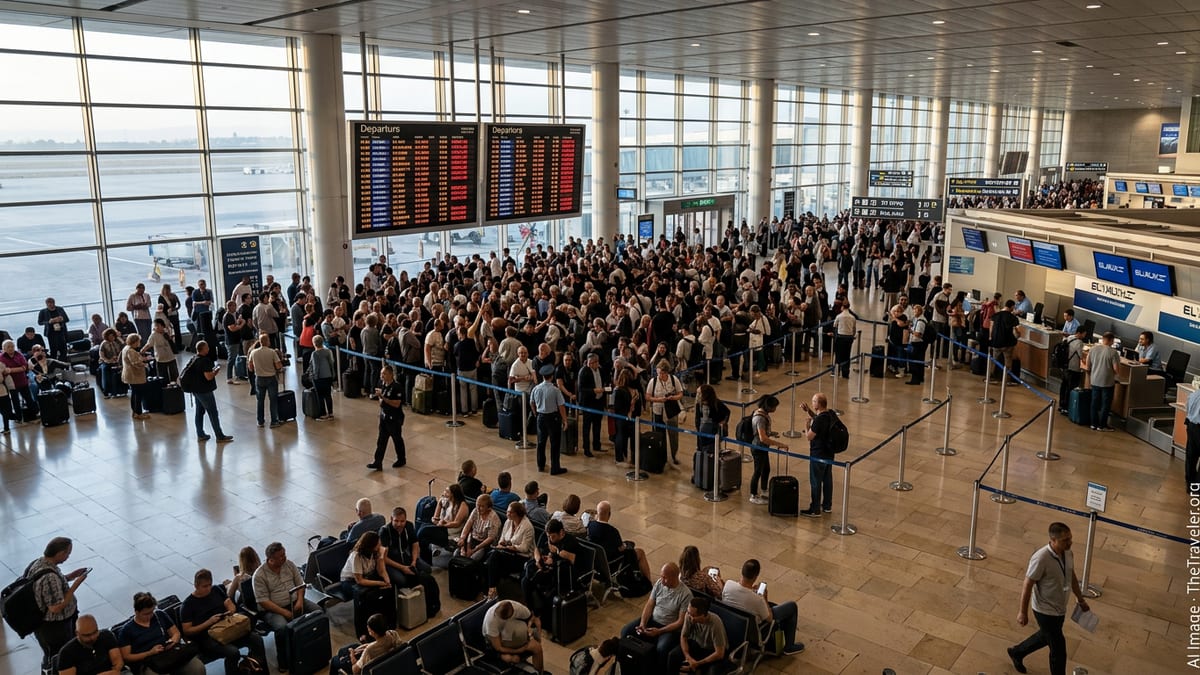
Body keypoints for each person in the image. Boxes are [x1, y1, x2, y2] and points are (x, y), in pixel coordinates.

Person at [1007, 522, 1091, 675]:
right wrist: (1022, 612)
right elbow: (1028, 584)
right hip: (1044, 610)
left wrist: (1080, 599)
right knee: (1058, 650)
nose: (1070, 542)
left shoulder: (1068, 553)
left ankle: (1017, 652)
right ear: (1052, 540)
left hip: (1060, 608)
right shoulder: (1041, 558)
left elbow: (1071, 576)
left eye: (1070, 538)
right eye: (1065, 540)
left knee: (1046, 636)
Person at [179, 568, 267, 674]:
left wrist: (230, 611)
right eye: (204, 586)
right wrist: (209, 622)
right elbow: (187, 631)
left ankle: (257, 668)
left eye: (209, 585)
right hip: (207, 637)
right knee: (233, 653)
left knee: (256, 639)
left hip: (227, 628)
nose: (208, 589)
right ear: (196, 586)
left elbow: (230, 605)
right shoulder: (188, 605)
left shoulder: (216, 590)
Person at [252, 542, 320, 671]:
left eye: (284, 554)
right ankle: (284, 661)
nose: (284, 558)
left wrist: (300, 601)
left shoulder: (289, 565)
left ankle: (312, 650)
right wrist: (284, 612)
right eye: (281, 556)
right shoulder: (259, 575)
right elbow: (263, 601)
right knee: (282, 628)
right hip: (273, 610)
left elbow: (301, 585)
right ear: (270, 559)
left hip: (295, 602)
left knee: (318, 613)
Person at [26, 537, 88, 671]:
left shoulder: (40, 563)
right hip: (55, 627)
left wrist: (71, 576)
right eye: (68, 553)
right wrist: (75, 586)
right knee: (58, 656)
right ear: (60, 553)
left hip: (54, 625)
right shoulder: (50, 576)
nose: (68, 557)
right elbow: (55, 607)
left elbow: (52, 588)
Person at [720, 558, 805, 655]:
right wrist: (764, 598)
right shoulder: (757, 599)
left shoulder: (728, 585)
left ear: (742, 571)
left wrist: (751, 590)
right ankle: (789, 647)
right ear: (755, 577)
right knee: (791, 606)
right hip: (753, 633)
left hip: (732, 626)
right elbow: (769, 618)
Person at [620, 562, 694, 671]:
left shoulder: (686, 595)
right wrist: (642, 623)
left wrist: (659, 631)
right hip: (652, 620)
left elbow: (680, 621)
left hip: (668, 628)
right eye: (661, 576)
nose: (661, 580)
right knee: (625, 631)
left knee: (661, 648)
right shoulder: (659, 583)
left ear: (674, 578)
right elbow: (650, 604)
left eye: (665, 578)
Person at [118, 591, 205, 675]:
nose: (150, 616)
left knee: (197, 667)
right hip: (149, 662)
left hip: (169, 653)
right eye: (146, 614)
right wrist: (149, 653)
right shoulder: (127, 630)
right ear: (137, 612)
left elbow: (176, 633)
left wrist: (172, 641)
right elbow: (127, 657)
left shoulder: (159, 615)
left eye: (152, 612)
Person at [339, 532, 393, 638]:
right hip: (350, 581)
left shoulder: (376, 552)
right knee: (363, 596)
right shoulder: (356, 556)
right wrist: (379, 583)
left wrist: (387, 581)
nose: (380, 544)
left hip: (367, 577)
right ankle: (363, 631)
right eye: (378, 543)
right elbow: (359, 581)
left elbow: (381, 570)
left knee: (385, 591)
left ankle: (384, 623)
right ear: (371, 545)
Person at [521, 519, 581, 614]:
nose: (549, 539)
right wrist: (538, 560)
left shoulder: (571, 541)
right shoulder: (547, 535)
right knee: (525, 581)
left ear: (561, 532)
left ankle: (538, 613)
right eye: (548, 536)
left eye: (553, 537)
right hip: (544, 567)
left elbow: (573, 559)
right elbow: (537, 549)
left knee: (530, 579)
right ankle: (531, 611)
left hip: (559, 573)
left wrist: (557, 551)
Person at [587, 500, 652, 581]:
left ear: (597, 513)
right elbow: (621, 548)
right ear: (609, 514)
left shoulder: (590, 525)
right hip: (611, 565)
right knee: (639, 552)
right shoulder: (612, 531)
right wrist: (626, 545)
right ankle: (648, 583)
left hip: (594, 564)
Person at [485, 501, 536, 600]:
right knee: (492, 558)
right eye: (507, 512)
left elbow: (525, 548)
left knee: (494, 557)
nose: (507, 514)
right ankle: (492, 589)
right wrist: (501, 544)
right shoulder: (509, 522)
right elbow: (502, 537)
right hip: (508, 553)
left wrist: (512, 547)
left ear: (517, 513)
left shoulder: (527, 527)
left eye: (510, 512)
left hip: (522, 557)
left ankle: (491, 590)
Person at [666, 596, 727, 675]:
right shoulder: (689, 616)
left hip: (711, 651)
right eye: (688, 613)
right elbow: (683, 637)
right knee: (673, 655)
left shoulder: (716, 624)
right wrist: (688, 657)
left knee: (712, 672)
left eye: (693, 616)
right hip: (697, 644)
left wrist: (697, 663)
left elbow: (719, 654)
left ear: (703, 615)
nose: (690, 618)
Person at [187, 341, 232, 443]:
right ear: (203, 349)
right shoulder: (205, 361)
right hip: (204, 391)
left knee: (199, 412)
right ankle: (219, 435)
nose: (209, 349)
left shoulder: (194, 359)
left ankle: (200, 434)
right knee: (213, 412)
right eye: (207, 347)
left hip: (196, 390)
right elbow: (208, 377)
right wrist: (215, 372)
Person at [482, 600, 545, 673]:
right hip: (494, 641)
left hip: (514, 636)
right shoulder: (491, 622)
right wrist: (518, 650)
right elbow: (498, 647)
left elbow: (533, 619)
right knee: (512, 658)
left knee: (537, 647)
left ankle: (540, 672)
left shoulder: (518, 608)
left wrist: (536, 633)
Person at [328, 613, 401, 675]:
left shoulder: (369, 650)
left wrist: (352, 654)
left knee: (335, 660)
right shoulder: (393, 634)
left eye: (369, 628)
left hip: (368, 667)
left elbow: (355, 670)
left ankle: (342, 659)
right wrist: (366, 645)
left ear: (373, 632)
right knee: (345, 649)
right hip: (385, 662)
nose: (367, 628)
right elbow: (382, 645)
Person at [748, 395, 788, 506]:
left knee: (766, 469)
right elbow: (763, 438)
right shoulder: (760, 418)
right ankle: (753, 495)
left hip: (763, 447)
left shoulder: (762, 414)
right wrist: (779, 444)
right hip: (758, 448)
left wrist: (772, 433)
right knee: (757, 471)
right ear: (768, 406)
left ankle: (764, 490)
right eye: (774, 407)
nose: (775, 409)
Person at [417, 483, 469, 564]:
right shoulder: (443, 501)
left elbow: (457, 523)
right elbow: (435, 517)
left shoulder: (462, 505)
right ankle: (424, 556)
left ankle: (426, 559)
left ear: (453, 494)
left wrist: (444, 524)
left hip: (451, 531)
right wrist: (435, 520)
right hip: (441, 526)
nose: (444, 493)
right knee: (422, 527)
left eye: (447, 492)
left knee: (423, 532)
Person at [530, 364, 568, 475]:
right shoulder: (555, 390)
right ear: (551, 376)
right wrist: (565, 420)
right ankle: (555, 468)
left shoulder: (536, 389)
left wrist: (535, 412)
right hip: (553, 418)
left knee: (541, 442)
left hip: (541, 417)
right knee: (555, 443)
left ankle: (540, 465)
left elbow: (532, 402)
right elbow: (561, 406)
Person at [56, 613, 123, 675]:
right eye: (87, 635)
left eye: (95, 632)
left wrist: (116, 670)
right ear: (77, 633)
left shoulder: (106, 636)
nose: (92, 637)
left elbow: (117, 662)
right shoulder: (66, 653)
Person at [367, 365, 406, 470]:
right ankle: (377, 462)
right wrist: (380, 397)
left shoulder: (397, 387)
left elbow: (396, 404)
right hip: (384, 417)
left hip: (394, 419)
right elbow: (381, 402)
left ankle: (401, 459)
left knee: (397, 439)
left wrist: (383, 397)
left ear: (390, 374)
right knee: (381, 441)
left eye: (384, 374)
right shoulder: (382, 384)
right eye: (381, 374)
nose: (382, 376)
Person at [378, 506, 427, 588]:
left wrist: (414, 561)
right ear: (391, 519)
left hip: (407, 557)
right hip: (391, 562)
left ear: (406, 519)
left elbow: (415, 544)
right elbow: (384, 558)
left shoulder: (409, 526)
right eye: (396, 521)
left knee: (427, 569)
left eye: (402, 521)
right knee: (402, 580)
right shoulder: (385, 531)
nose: (399, 524)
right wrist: (402, 568)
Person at [647, 360, 685, 465]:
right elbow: (648, 396)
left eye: (662, 373)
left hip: (671, 411)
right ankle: (661, 457)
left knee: (673, 435)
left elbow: (680, 393)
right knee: (659, 434)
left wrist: (673, 398)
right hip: (657, 411)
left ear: (667, 372)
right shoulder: (653, 381)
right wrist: (658, 400)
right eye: (658, 373)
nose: (660, 375)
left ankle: (674, 455)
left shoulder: (674, 379)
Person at [1083, 332, 1119, 432]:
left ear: (1103, 339)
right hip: (1107, 382)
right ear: (1112, 341)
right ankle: (1102, 425)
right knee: (1105, 404)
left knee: (1094, 403)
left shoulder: (1093, 349)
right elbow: (1116, 369)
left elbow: (1088, 366)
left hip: (1095, 380)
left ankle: (1093, 424)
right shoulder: (1113, 353)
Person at [247, 334, 283, 428]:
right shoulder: (272, 352)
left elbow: (250, 368)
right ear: (267, 342)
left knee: (260, 400)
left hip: (259, 378)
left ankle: (260, 421)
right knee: (273, 400)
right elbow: (279, 366)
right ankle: (274, 421)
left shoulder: (253, 352)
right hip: (271, 378)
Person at [577, 352, 606, 456]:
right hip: (588, 403)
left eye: (593, 362)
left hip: (599, 401)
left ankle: (597, 445)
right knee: (587, 426)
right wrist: (593, 390)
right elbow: (581, 389)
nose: (590, 365)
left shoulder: (601, 370)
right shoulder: (584, 371)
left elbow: (604, 382)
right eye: (589, 362)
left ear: (597, 362)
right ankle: (586, 448)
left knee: (597, 425)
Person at [611, 368, 642, 466]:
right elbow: (638, 408)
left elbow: (616, 406)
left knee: (620, 436)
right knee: (631, 438)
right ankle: (632, 458)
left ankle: (619, 458)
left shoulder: (617, 390)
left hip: (621, 417)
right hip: (631, 417)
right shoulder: (635, 391)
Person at [457, 493, 501, 561]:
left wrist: (474, 550)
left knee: (473, 558)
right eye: (477, 505)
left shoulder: (493, 518)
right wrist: (463, 539)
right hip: (472, 539)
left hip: (483, 544)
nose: (478, 508)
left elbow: (490, 538)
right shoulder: (475, 510)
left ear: (489, 507)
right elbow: (468, 525)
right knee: (457, 554)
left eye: (482, 506)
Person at [1, 339, 37, 420]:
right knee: (15, 401)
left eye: (12, 346)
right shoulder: (1, 358)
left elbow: (24, 367)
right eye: (8, 347)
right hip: (11, 384)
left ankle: (33, 415)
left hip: (22, 381)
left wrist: (10, 370)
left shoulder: (19, 355)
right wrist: (17, 369)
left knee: (29, 399)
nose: (11, 348)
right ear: (4, 349)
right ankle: (19, 417)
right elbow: (3, 371)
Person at [1057, 327, 1086, 415]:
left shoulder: (1069, 338)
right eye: (1084, 334)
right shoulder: (1079, 343)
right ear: (1080, 333)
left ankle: (1061, 405)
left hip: (1066, 366)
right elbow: (1081, 356)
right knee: (1070, 388)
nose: (1085, 336)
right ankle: (1066, 408)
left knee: (1064, 386)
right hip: (1074, 368)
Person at [120, 334, 150, 419]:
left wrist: (142, 359)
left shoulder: (126, 348)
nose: (139, 342)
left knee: (134, 394)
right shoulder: (131, 351)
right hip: (134, 376)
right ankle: (138, 413)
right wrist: (144, 364)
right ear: (135, 341)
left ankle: (135, 412)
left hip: (129, 375)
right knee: (138, 394)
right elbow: (135, 363)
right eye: (138, 341)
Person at [989, 299, 1022, 375]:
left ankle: (990, 376)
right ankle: (1006, 378)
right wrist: (1018, 335)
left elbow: (991, 327)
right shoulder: (1013, 318)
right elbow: (1015, 332)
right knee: (1008, 361)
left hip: (996, 342)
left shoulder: (996, 315)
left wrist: (991, 337)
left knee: (994, 360)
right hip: (1008, 343)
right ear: (1012, 307)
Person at [307, 334, 336, 419]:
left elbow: (316, 367)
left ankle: (323, 414)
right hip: (328, 376)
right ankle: (330, 413)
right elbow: (331, 363)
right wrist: (332, 374)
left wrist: (314, 377)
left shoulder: (315, 354)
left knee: (320, 396)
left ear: (314, 344)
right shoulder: (328, 351)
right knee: (328, 395)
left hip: (319, 377)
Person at [831, 300, 856, 378]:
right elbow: (854, 329)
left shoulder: (839, 316)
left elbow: (835, 326)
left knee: (838, 355)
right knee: (846, 355)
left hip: (840, 337)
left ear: (842, 307)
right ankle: (845, 373)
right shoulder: (852, 317)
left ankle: (836, 371)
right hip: (849, 338)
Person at [906, 304, 927, 386]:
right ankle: (919, 377)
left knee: (914, 362)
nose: (914, 311)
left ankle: (915, 379)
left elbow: (918, 334)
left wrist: (911, 331)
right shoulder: (917, 319)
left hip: (917, 343)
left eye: (916, 310)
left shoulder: (921, 321)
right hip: (917, 343)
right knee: (918, 361)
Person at [1186, 387, 1200, 494]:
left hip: (1191, 426)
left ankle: (1190, 484)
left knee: (1191, 456)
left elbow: (1187, 410)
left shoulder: (1193, 395)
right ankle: (1197, 488)